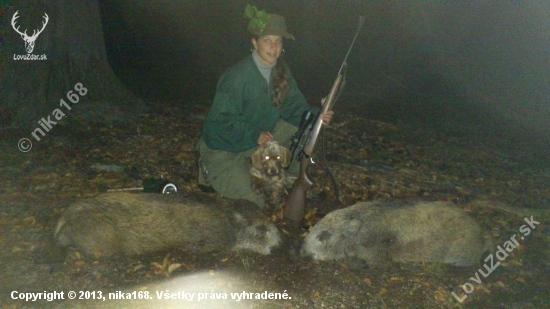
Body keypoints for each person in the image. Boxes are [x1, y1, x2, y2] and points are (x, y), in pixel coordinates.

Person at [197, 5, 333, 208]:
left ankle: (295, 179)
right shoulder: (236, 77)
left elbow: (295, 108)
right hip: (223, 148)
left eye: (278, 41)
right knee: (259, 201)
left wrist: (317, 116)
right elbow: (218, 124)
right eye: (267, 40)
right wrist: (254, 135)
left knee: (305, 129)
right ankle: (206, 169)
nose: (273, 47)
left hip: (257, 142)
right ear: (254, 42)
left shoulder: (281, 70)